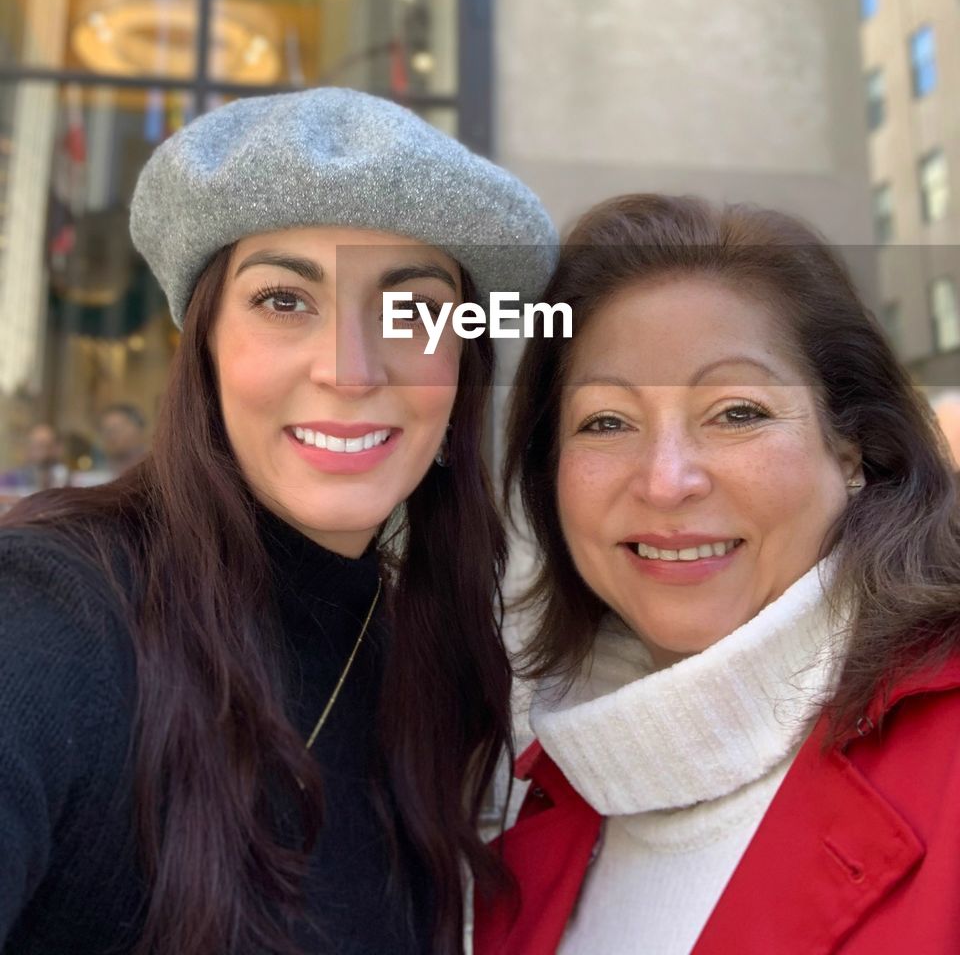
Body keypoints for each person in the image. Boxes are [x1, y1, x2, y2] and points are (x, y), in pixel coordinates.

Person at [0, 88, 556, 955]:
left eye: (413, 310)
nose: (349, 370)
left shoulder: (438, 666)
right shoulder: (51, 612)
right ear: (207, 345)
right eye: (285, 301)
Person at [475, 194, 960, 955]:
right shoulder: (545, 791)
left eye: (737, 413)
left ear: (854, 445)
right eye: (606, 422)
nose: (666, 483)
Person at [0, 423, 69, 495]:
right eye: (39, 445)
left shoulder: (65, 478)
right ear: (27, 447)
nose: (43, 452)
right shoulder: (8, 480)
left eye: (48, 446)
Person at [95, 402, 148, 477]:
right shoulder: (102, 465)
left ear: (136, 428)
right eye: (106, 430)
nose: (111, 436)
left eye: (116, 429)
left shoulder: (150, 464)